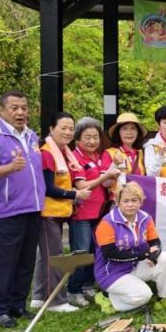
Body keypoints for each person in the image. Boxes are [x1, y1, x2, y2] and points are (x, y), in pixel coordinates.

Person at [0, 90, 45, 328]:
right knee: (3, 262)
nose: (20, 113)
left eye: (24, 108)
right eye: (14, 108)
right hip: (7, 211)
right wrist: (9, 167)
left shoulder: (32, 136)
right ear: (2, 111)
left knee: (25, 261)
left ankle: (17, 304)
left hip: (33, 209)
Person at [93, 182, 166, 314]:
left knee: (165, 257)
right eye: (126, 201)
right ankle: (106, 297)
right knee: (144, 296)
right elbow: (109, 253)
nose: (130, 204)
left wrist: (154, 253)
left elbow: (155, 241)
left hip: (134, 265)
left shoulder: (145, 218)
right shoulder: (107, 222)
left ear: (141, 202)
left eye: (134, 200)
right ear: (118, 202)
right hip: (112, 272)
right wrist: (140, 256)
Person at [32, 112, 87, 313]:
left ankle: (38, 297)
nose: (67, 132)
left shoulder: (64, 152)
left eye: (71, 128)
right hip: (48, 213)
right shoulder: (47, 153)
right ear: (51, 129)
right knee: (54, 256)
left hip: (58, 212)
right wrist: (75, 194)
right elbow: (48, 188)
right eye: (63, 128)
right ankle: (56, 301)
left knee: (45, 255)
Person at [68, 118, 119, 308]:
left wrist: (112, 175)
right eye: (87, 137)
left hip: (99, 212)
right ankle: (73, 290)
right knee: (81, 251)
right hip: (81, 213)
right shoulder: (75, 157)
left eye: (95, 137)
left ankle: (88, 285)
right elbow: (81, 185)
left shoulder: (98, 157)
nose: (92, 141)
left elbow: (105, 183)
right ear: (78, 139)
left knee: (94, 250)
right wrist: (105, 176)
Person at [106, 112, 146, 177]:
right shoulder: (109, 153)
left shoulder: (141, 153)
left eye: (133, 128)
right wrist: (115, 165)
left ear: (138, 132)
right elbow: (104, 183)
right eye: (124, 128)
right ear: (118, 132)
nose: (129, 132)